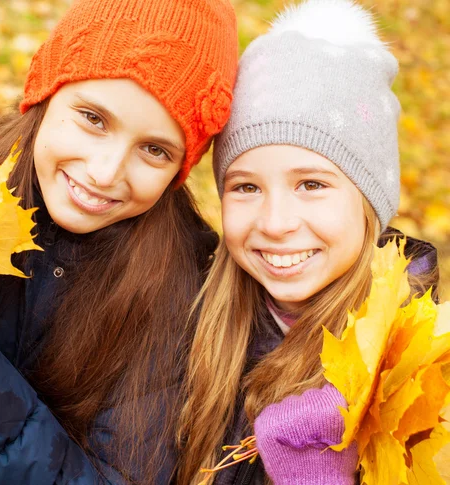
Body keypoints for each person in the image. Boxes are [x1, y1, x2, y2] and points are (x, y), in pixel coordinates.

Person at [0, 0, 238, 483]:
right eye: (94, 119)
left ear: (181, 170)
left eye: (155, 150)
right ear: (44, 93)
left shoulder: (180, 298)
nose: (104, 172)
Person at [176, 1, 440, 484]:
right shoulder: (190, 325)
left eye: (312, 185)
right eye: (246, 187)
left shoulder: (427, 375)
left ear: (369, 202)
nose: (276, 223)